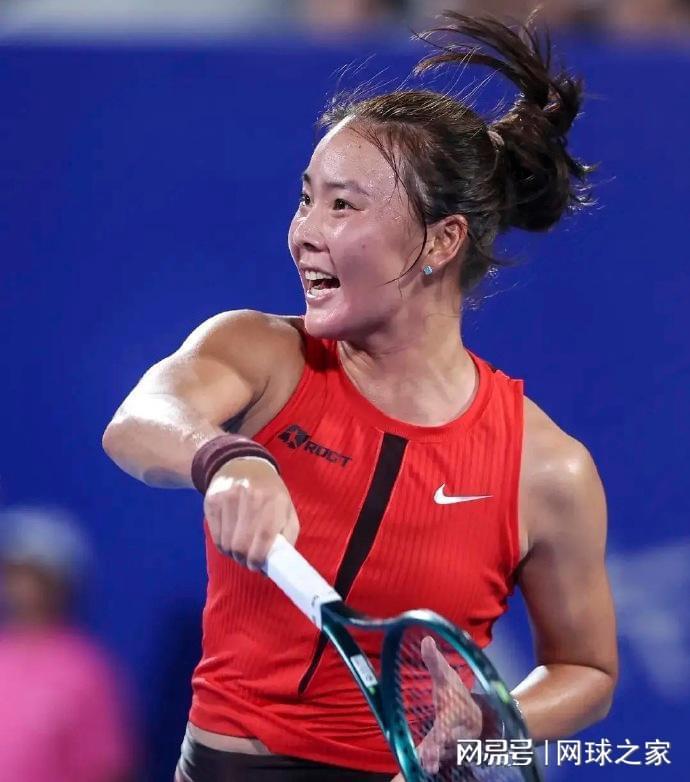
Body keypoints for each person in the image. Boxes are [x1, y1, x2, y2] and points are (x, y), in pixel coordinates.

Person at [102, 12, 618, 781]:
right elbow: (139, 421)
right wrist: (225, 458)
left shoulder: (548, 469)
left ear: (441, 242)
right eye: (306, 199)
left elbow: (588, 671)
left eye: (342, 206)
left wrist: (491, 720)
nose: (305, 232)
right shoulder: (261, 353)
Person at [0, 506, 136, 782]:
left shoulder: (85, 671)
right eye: (11, 573)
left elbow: (106, 767)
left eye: (31, 575)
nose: (19, 587)